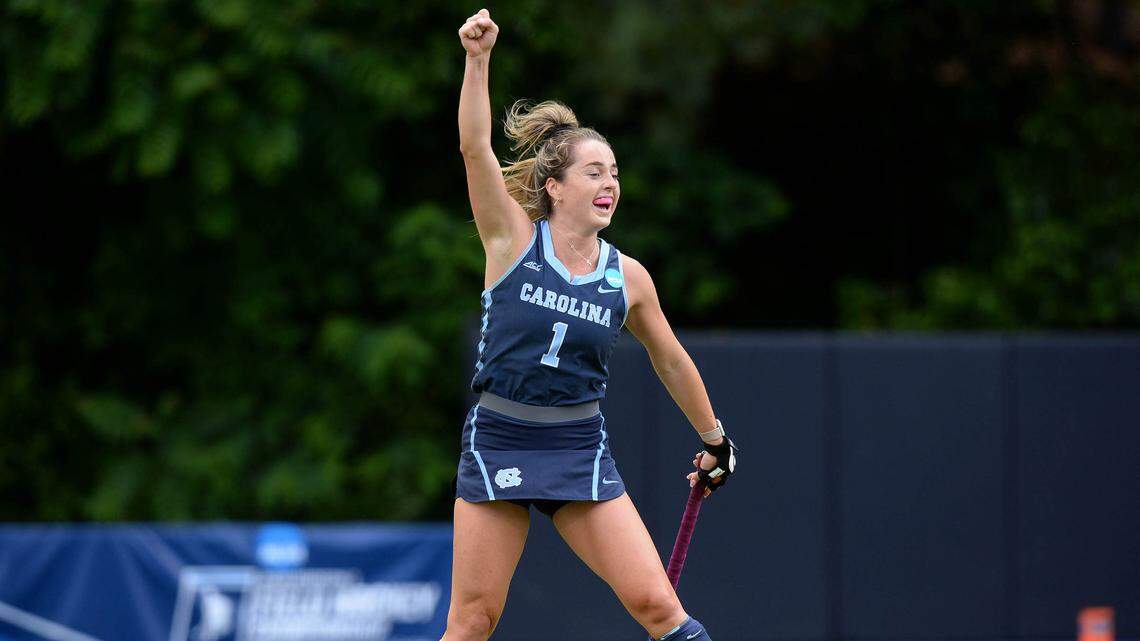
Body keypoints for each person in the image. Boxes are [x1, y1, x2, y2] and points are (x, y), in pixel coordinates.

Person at [448, 8, 740, 641]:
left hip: (577, 448)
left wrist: (715, 439)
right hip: (500, 437)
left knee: (662, 612)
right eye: (594, 171)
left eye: (615, 174)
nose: (611, 184)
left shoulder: (627, 277)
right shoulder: (511, 241)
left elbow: (670, 358)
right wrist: (478, 61)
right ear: (553, 186)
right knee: (473, 622)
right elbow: (476, 148)